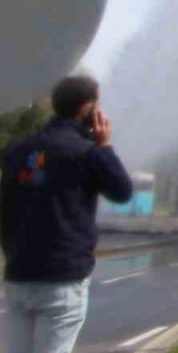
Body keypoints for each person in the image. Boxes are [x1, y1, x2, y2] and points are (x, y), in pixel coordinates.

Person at [1, 76, 132, 353]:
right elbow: (121, 190)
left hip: (18, 275)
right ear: (87, 109)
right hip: (62, 278)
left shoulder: (17, 151)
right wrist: (105, 146)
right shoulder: (87, 153)